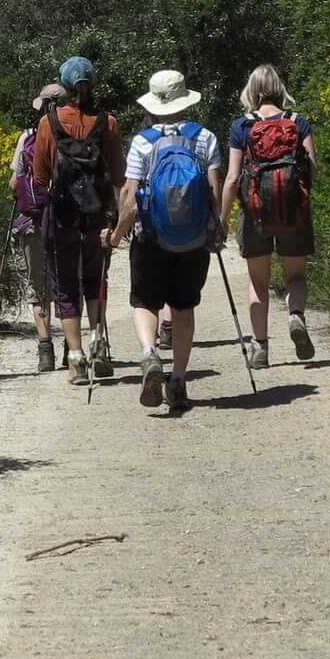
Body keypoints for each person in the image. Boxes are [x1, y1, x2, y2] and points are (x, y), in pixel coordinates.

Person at [113, 68, 223, 413]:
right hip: (193, 239)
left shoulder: (143, 142)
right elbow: (215, 189)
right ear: (184, 100)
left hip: (151, 237)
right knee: (183, 307)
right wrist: (216, 228)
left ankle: (149, 356)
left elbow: (130, 196)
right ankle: (177, 380)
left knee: (145, 303)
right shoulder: (204, 138)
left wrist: (117, 233)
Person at [28, 57, 121, 385]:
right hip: (96, 215)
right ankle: (99, 346)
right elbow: (119, 175)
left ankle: (77, 358)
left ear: (64, 88)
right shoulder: (108, 123)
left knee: (65, 285)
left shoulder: (47, 124)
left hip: (62, 214)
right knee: (95, 279)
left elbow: (39, 178)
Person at [221, 63, 316, 367]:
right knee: (296, 276)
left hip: (255, 212)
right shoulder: (298, 122)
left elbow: (233, 178)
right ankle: (296, 316)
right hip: (294, 210)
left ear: (252, 90)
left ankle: (260, 348)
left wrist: (221, 219)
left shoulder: (242, 126)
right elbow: (311, 168)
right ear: (279, 88)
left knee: (257, 282)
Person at [8, 82, 66, 372]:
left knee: (38, 284)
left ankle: (46, 350)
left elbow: (14, 182)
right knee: (69, 282)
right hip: (68, 221)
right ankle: (73, 348)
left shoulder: (28, 137)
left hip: (33, 223)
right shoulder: (77, 133)